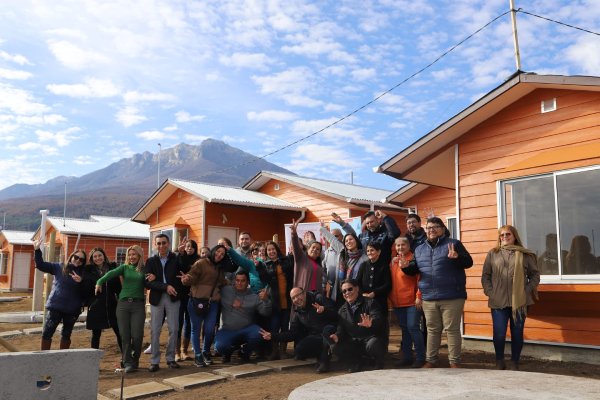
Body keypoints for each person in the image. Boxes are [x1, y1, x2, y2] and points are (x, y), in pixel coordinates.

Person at [401, 217, 473, 368]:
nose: (431, 230)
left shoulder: (454, 244)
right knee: (432, 330)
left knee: (452, 330)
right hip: (429, 297)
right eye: (428, 228)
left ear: (442, 229)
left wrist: (457, 257)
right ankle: (431, 360)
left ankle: (454, 362)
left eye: (435, 227)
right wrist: (406, 267)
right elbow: (414, 270)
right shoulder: (419, 249)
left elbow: (468, 262)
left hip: (452, 295)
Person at [481, 225, 540, 370]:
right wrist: (490, 292)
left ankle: (515, 362)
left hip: (520, 301)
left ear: (514, 236)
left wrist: (525, 290)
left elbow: (535, 275)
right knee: (499, 333)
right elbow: (486, 276)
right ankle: (499, 361)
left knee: (517, 333)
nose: (505, 237)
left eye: (508, 234)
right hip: (498, 301)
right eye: (502, 235)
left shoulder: (525, 255)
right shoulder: (493, 253)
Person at [259, 287, 337, 373]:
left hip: (332, 332)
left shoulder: (318, 298)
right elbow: (292, 333)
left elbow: (336, 314)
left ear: (304, 293)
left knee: (327, 330)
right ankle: (321, 354)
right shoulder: (298, 313)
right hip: (317, 336)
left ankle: (324, 362)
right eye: (293, 298)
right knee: (299, 350)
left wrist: (324, 310)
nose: (296, 299)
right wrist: (272, 336)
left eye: (298, 295)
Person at [95, 245, 146, 373]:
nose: (131, 257)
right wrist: (99, 282)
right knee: (125, 335)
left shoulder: (144, 269)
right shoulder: (124, 267)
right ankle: (128, 362)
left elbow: (150, 281)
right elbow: (110, 274)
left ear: (139, 255)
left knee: (137, 336)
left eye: (134, 254)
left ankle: (135, 359)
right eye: (129, 255)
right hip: (123, 305)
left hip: (138, 305)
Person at [180, 245, 228, 367]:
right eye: (218, 252)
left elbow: (222, 282)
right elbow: (191, 276)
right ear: (213, 251)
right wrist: (186, 279)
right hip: (196, 301)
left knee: (210, 329)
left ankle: (206, 351)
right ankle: (197, 354)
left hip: (212, 303)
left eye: (222, 254)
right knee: (195, 329)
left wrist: (234, 284)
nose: (219, 255)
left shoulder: (220, 268)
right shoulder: (201, 263)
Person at [33, 239, 85, 351]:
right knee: (47, 332)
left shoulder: (85, 273)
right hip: (56, 306)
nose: (78, 260)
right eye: (76, 257)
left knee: (66, 334)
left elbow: (89, 287)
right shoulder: (59, 266)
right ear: (71, 256)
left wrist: (81, 281)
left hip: (72, 310)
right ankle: (44, 356)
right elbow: (40, 265)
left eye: (81, 259)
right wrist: (37, 250)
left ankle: (63, 356)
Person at [144, 233, 185, 372]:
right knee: (155, 330)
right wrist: (165, 286)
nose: (161, 245)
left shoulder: (176, 258)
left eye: (164, 243)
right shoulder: (150, 261)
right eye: (159, 243)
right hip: (157, 298)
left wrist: (182, 253)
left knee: (174, 329)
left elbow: (184, 272)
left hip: (173, 298)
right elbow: (147, 283)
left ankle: (170, 358)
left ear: (168, 244)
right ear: (155, 245)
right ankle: (154, 361)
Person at [214, 270, 272, 362]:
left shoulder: (254, 296)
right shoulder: (225, 290)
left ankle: (244, 352)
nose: (239, 283)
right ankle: (229, 352)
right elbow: (214, 284)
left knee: (260, 334)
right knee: (219, 346)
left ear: (248, 282)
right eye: (237, 280)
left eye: (243, 281)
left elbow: (266, 312)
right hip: (227, 329)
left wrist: (266, 300)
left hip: (247, 329)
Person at [329, 279, 386, 372]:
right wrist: (337, 336)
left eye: (350, 289)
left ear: (357, 289)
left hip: (370, 339)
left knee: (373, 344)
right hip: (355, 342)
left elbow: (378, 318)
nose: (347, 293)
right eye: (344, 291)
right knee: (335, 347)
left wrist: (371, 323)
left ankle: (378, 362)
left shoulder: (370, 302)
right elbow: (341, 329)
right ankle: (356, 362)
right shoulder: (342, 310)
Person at [389, 237, 424, 368]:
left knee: (413, 328)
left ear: (409, 246)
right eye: (397, 245)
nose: (400, 247)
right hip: (398, 303)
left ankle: (421, 357)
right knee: (405, 330)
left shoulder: (414, 259)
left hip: (412, 302)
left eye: (403, 244)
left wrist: (419, 296)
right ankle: (407, 357)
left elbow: (421, 280)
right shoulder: (394, 261)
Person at [81, 247, 122, 351]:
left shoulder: (113, 269)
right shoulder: (88, 271)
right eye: (95, 256)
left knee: (119, 332)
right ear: (92, 258)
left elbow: (118, 288)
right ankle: (92, 358)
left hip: (112, 305)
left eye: (100, 255)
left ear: (104, 256)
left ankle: (126, 357)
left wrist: (121, 300)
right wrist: (89, 303)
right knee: (96, 334)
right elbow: (85, 289)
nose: (97, 258)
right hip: (96, 306)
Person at [263, 240, 294, 359]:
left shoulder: (286, 261)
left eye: (273, 249)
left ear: (277, 250)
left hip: (286, 300)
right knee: (274, 327)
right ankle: (274, 351)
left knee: (285, 327)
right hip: (274, 302)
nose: (271, 251)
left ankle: (283, 352)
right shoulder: (266, 265)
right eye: (269, 250)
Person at [175, 238, 200, 362]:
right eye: (187, 246)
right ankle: (177, 352)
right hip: (179, 294)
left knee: (189, 323)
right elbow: (177, 267)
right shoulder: (179, 257)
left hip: (192, 295)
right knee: (178, 323)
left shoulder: (198, 260)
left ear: (195, 249)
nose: (189, 248)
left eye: (191, 246)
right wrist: (180, 253)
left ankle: (184, 350)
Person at [290, 219, 325, 295]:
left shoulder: (319, 266)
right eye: (313, 247)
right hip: (302, 296)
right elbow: (296, 246)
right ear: (308, 249)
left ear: (319, 254)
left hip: (316, 297)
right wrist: (294, 234)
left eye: (318, 249)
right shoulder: (301, 258)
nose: (315, 250)